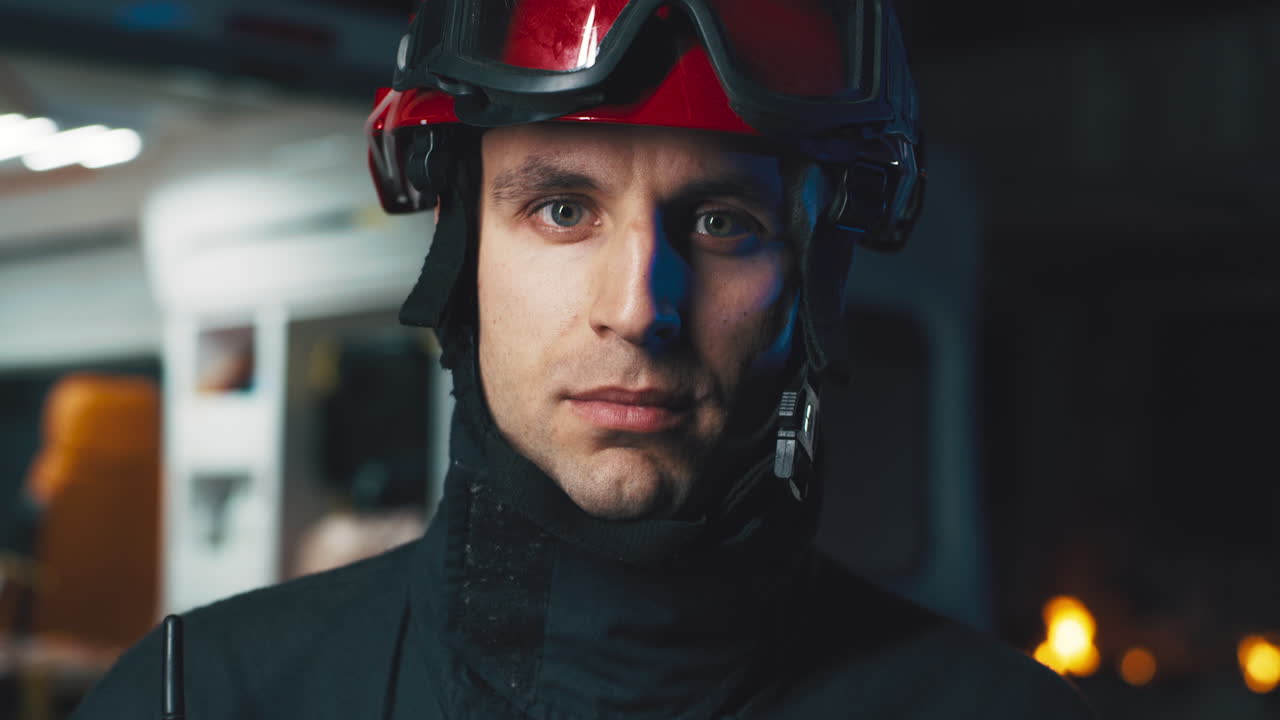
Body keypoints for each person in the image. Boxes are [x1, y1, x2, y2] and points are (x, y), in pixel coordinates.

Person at [73, 1, 1094, 718]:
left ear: (814, 282)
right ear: (460, 253)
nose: (638, 309)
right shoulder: (194, 698)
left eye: (722, 221)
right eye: (562, 209)